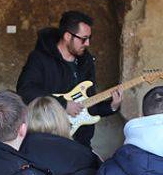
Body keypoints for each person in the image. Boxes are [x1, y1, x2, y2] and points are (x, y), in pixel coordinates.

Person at [17, 10, 122, 147]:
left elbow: (86, 104)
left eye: (89, 38)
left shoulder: (86, 61)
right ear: (67, 36)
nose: (88, 43)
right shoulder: (39, 58)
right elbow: (25, 90)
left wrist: (111, 107)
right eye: (84, 38)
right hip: (47, 139)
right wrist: (63, 105)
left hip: (81, 143)